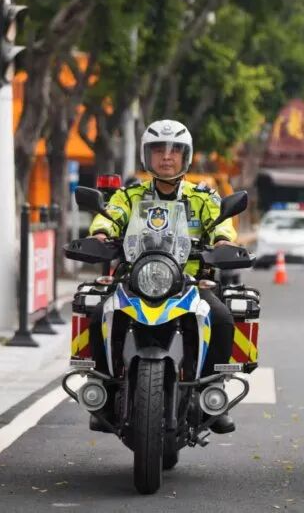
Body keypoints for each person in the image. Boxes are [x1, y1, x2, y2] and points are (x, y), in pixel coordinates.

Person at [86, 119, 238, 434]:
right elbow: (110, 217)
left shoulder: (202, 197)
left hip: (189, 284)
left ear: (186, 156)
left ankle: (211, 391)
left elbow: (221, 223)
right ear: (147, 155)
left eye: (174, 151)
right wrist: (101, 234)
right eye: (158, 150)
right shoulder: (130, 195)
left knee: (222, 317)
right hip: (135, 281)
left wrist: (223, 241)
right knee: (100, 313)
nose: (166, 157)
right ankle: (105, 394)